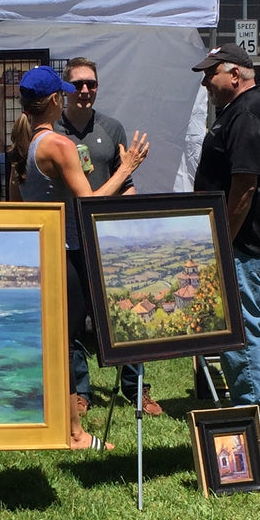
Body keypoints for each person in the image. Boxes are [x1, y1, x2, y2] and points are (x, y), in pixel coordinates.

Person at [8, 65, 149, 450]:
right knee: (66, 341)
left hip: (41, 253)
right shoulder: (59, 145)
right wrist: (127, 168)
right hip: (66, 256)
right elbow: (91, 204)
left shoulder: (23, 145)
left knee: (58, 342)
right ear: (55, 100)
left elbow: (14, 208)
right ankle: (73, 433)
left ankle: (61, 425)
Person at [55, 57, 161, 416]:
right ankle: (79, 392)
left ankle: (136, 390)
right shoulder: (53, 132)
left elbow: (125, 184)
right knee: (71, 320)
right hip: (67, 240)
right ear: (66, 89)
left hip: (107, 239)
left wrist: (132, 230)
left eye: (92, 84)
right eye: (78, 84)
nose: (85, 90)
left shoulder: (112, 128)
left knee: (125, 317)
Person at [191, 44, 260, 434]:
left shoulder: (247, 113)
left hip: (240, 244)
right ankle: (248, 408)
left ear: (234, 74)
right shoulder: (242, 111)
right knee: (237, 324)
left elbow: (243, 188)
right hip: (237, 242)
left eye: (210, 74)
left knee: (242, 328)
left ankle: (252, 418)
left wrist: (223, 244)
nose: (205, 81)